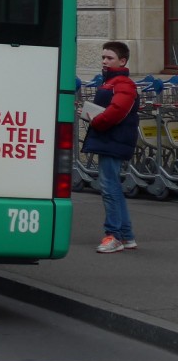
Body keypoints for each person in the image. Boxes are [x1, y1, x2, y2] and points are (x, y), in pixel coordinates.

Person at [81, 41, 140, 253]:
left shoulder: (122, 83)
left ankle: (114, 236)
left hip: (112, 140)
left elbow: (116, 111)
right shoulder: (111, 82)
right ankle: (126, 236)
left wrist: (95, 120)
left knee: (109, 188)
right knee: (112, 187)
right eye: (103, 57)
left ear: (122, 61)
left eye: (110, 58)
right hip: (110, 140)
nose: (105, 61)